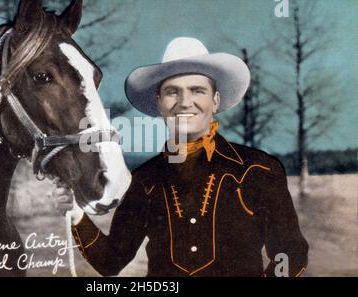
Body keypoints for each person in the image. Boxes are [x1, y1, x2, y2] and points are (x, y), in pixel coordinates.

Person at [56, 37, 308, 277]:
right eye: (172, 92)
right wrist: (76, 213)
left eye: (197, 90)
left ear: (215, 100)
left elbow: (291, 254)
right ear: (159, 103)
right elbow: (110, 262)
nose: (185, 102)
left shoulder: (258, 170)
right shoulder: (144, 181)